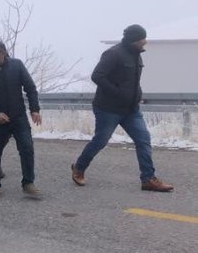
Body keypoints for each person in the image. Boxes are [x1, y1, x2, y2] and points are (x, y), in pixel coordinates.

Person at [71, 24, 173, 192]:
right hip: (108, 108)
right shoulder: (114, 54)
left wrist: (137, 94)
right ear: (134, 39)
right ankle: (79, 168)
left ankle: (148, 179)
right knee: (100, 141)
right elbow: (97, 76)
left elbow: (132, 81)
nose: (145, 42)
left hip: (131, 110)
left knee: (143, 140)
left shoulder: (137, 55)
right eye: (142, 39)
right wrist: (117, 92)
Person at [0, 40, 42, 199]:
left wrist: (34, 109)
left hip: (18, 117)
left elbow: (30, 88)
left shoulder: (17, 65)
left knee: (27, 148)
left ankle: (28, 183)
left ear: (2, 53)